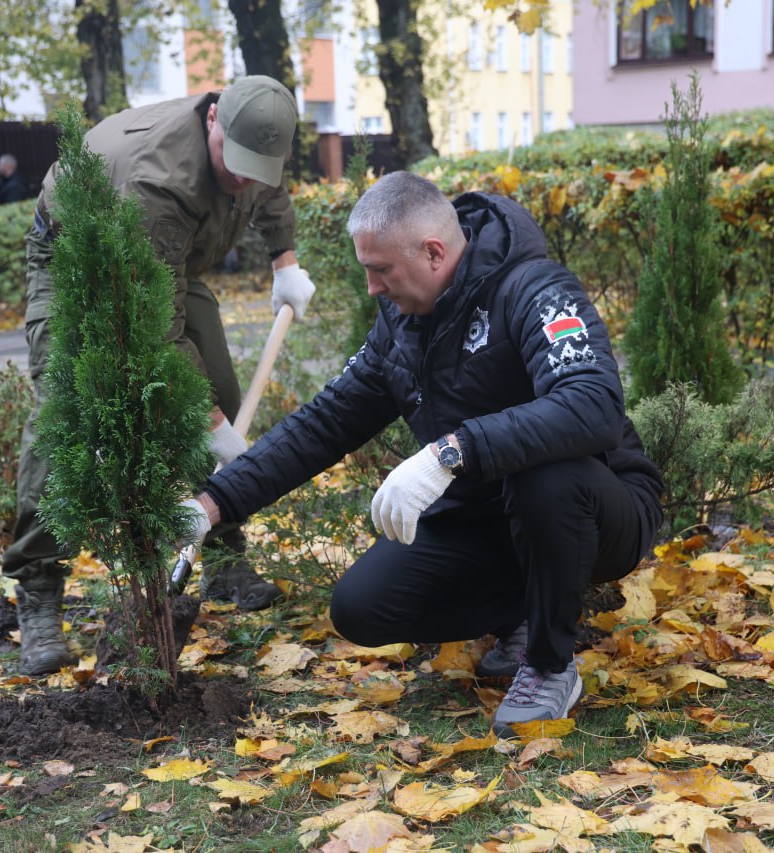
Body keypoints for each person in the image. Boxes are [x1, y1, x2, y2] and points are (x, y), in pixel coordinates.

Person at [184, 172, 664, 736]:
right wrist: (214, 504)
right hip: (487, 517)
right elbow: (325, 423)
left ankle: (549, 662)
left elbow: (594, 405)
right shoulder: (401, 327)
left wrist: (453, 451)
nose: (372, 289)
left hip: (599, 503)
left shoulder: (536, 289)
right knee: (361, 608)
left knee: (545, 479)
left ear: (433, 252)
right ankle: (523, 611)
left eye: (380, 269)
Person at [7, 75, 317, 676]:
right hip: (75, 259)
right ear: (211, 122)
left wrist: (286, 262)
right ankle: (39, 590)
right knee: (63, 423)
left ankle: (225, 556)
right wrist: (213, 424)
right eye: (238, 164)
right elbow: (156, 333)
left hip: (167, 263)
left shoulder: (255, 141)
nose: (246, 180)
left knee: (220, 386)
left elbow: (269, 194)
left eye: (262, 167)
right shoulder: (158, 179)